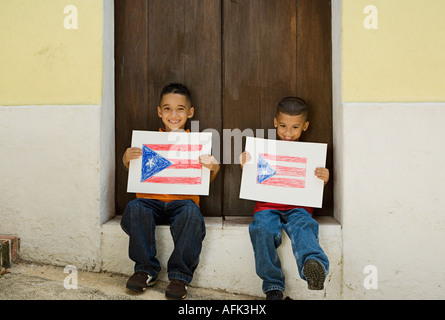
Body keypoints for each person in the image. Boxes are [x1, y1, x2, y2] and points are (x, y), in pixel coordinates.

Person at [120, 83, 220, 299]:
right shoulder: (148, 141)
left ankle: (180, 277)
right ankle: (144, 269)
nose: (173, 114)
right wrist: (126, 159)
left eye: (180, 109)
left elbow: (204, 180)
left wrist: (214, 167)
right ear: (159, 111)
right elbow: (134, 170)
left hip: (182, 202)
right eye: (167, 108)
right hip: (150, 201)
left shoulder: (196, 143)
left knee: (192, 214)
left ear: (190, 113)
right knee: (135, 207)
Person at [240, 97, 330, 300]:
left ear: (305, 126)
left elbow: (314, 185)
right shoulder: (263, 150)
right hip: (267, 207)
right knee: (261, 229)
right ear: (275, 123)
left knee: (304, 226)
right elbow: (253, 178)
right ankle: (272, 286)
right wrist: (246, 164)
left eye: (295, 127)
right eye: (283, 126)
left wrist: (323, 179)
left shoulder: (311, 155)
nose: (288, 133)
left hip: (299, 207)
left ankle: (313, 266)